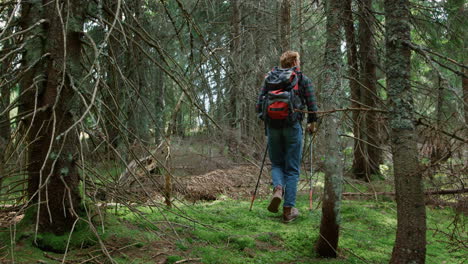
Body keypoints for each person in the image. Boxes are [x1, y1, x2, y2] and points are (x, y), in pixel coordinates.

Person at [256, 51, 318, 223]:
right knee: (292, 169)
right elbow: (312, 105)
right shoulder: (302, 79)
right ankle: (288, 210)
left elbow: (259, 104)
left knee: (277, 163)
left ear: (282, 63)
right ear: (295, 62)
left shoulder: (269, 78)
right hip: (292, 126)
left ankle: (277, 189)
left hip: (273, 128)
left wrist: (267, 120)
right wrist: (312, 124)